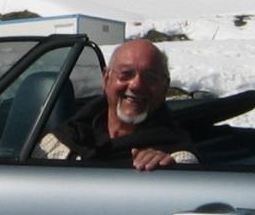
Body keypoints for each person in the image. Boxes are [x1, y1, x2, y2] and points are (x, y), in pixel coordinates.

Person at [37, 38, 197, 171]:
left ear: (165, 87)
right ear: (106, 79)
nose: (136, 85)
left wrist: (167, 170)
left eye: (150, 78)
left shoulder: (176, 152)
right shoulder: (65, 139)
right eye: (126, 74)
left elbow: (188, 174)